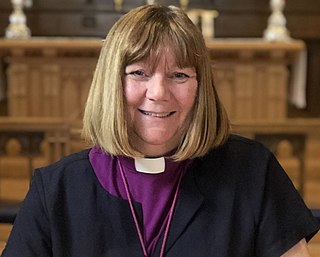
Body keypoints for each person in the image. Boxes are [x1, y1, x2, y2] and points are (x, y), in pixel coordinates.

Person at [2, 4, 319, 257]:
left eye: (179, 75)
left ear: (200, 87)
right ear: (112, 83)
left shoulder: (252, 172)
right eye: (138, 72)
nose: (158, 92)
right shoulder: (56, 189)